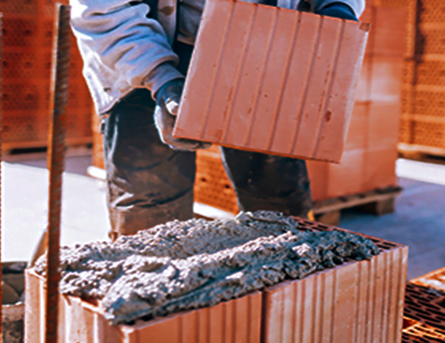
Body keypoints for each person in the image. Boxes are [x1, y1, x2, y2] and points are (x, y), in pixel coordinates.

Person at [70, 0, 365, 240]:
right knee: (150, 217)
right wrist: (160, 79)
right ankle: (155, 307)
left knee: (280, 213)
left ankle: (278, 302)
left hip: (267, 46)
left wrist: (337, 6)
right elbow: (104, 9)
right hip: (149, 45)